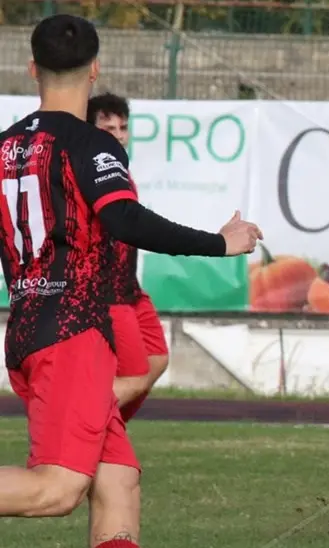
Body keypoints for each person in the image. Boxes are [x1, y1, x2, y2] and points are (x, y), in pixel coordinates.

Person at [0, 15, 261, 548]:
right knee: (57, 490)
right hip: (71, 334)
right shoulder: (90, 143)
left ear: (33, 70)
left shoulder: (3, 148)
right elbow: (126, 219)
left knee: (119, 481)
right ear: (95, 70)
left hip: (28, 330)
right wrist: (220, 244)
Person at [88, 92, 171, 423]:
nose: (119, 135)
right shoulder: (90, 171)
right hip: (107, 291)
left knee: (157, 359)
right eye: (108, 128)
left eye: (123, 127)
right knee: (134, 375)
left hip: (129, 287)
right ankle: (81, 432)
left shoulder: (119, 170)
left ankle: (105, 430)